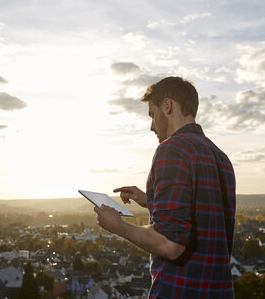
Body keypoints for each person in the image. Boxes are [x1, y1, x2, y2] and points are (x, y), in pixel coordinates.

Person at [94, 76, 236, 298]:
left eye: (152, 114)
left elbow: (170, 244)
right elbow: (202, 217)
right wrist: (151, 200)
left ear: (167, 106)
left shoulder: (172, 149)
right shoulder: (220, 157)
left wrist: (118, 225)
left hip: (180, 291)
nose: (152, 126)